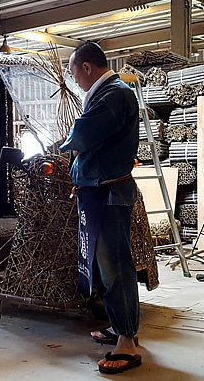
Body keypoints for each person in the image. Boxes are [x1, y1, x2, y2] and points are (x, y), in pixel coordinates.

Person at [59, 41, 142, 375]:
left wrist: (60, 146)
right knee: (104, 265)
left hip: (108, 194)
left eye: (73, 71)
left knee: (115, 266)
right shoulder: (106, 94)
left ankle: (127, 343)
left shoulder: (114, 95)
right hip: (98, 193)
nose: (73, 78)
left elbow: (83, 133)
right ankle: (120, 325)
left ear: (87, 68)